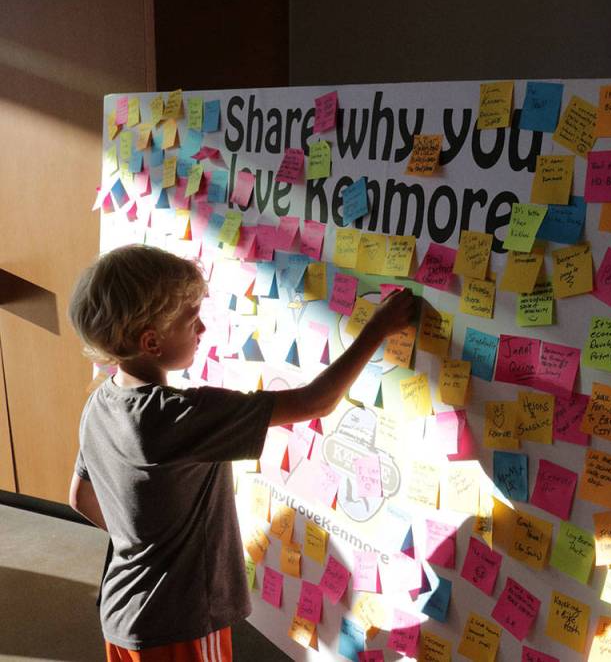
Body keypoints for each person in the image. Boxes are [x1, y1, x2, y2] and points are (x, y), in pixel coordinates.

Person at [66, 244, 417, 661]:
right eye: (190, 320)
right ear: (151, 341)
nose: (201, 330)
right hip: (182, 622)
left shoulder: (101, 402)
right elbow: (315, 402)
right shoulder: (177, 416)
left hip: (122, 612)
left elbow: (80, 497)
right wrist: (377, 329)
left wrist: (149, 540)